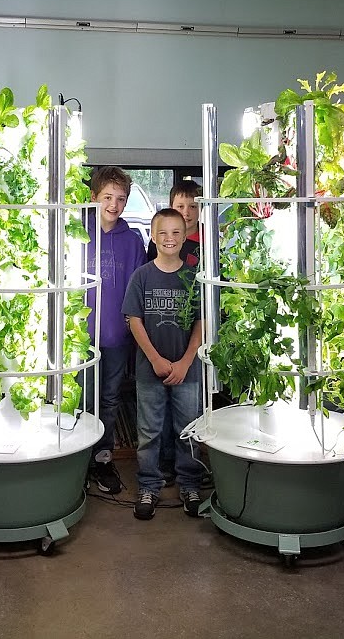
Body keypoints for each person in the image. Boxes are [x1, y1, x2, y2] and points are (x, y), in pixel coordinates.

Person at [123, 209, 203, 520]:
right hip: (149, 371)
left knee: (187, 430)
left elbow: (201, 323)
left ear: (185, 237)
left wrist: (185, 362)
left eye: (176, 233)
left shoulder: (194, 278)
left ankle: (190, 484)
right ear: (153, 237)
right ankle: (148, 486)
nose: (169, 239)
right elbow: (134, 320)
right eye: (163, 233)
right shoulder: (141, 276)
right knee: (149, 431)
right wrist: (155, 359)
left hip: (188, 372)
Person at [84, 166, 148, 494]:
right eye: (107, 197)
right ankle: (77, 460)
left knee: (108, 399)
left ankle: (102, 458)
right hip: (78, 338)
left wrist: (130, 330)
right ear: (93, 197)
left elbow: (137, 290)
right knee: (80, 398)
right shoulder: (74, 232)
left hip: (116, 338)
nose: (113, 204)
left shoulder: (132, 240)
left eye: (120, 199)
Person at [147, 179, 203, 484]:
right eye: (181, 206)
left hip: (190, 345)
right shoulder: (150, 264)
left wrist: (189, 354)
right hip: (156, 344)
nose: (187, 212)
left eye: (193, 207)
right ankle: (161, 468)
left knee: (187, 411)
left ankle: (189, 475)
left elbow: (203, 310)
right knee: (155, 416)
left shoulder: (205, 245)